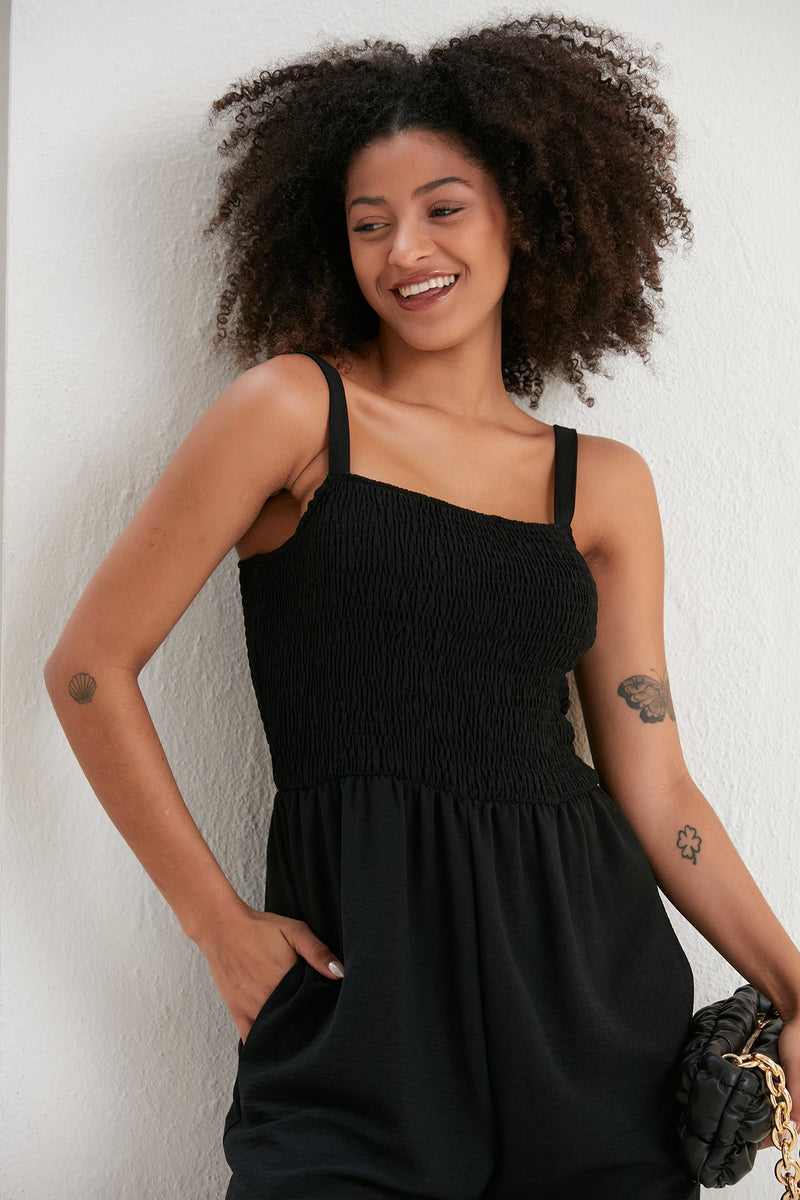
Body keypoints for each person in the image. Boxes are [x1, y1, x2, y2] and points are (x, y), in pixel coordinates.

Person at [44, 13, 800, 1200]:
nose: (405, 250)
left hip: (587, 1010)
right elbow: (89, 669)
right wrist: (217, 924)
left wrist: (795, 991)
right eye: (368, 222)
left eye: (443, 208)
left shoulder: (599, 484)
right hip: (359, 1012)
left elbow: (655, 786)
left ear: (523, 216)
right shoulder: (294, 413)